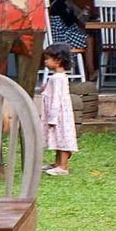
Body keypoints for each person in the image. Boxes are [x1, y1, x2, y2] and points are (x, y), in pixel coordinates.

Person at [40, 43, 78, 176]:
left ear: (58, 61)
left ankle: (63, 166)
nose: (45, 62)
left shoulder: (57, 78)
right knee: (57, 138)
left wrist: (52, 118)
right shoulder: (58, 77)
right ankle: (57, 163)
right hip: (59, 114)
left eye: (47, 59)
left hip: (58, 115)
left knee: (62, 139)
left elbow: (56, 98)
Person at [49, 0, 96, 79]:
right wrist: (81, 14)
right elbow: (69, 21)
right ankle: (91, 71)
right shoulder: (59, 4)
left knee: (88, 38)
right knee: (89, 39)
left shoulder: (59, 3)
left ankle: (90, 71)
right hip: (62, 38)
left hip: (63, 35)